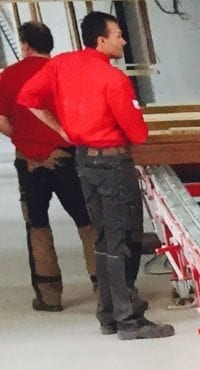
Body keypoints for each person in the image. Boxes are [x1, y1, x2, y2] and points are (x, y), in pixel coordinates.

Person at [14, 10, 167, 338]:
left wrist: (62, 129)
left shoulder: (61, 64)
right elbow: (138, 134)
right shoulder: (113, 79)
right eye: (118, 36)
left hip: (84, 161)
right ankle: (129, 320)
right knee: (123, 237)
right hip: (113, 165)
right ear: (101, 40)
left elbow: (27, 98)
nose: (123, 41)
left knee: (103, 237)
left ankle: (108, 314)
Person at [0, 21, 96, 311]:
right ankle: (103, 286)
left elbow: (1, 120)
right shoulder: (63, 72)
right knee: (87, 221)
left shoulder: (8, 77)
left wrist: (22, 138)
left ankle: (49, 296)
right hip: (66, 157)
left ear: (25, 45)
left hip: (28, 163)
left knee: (37, 226)